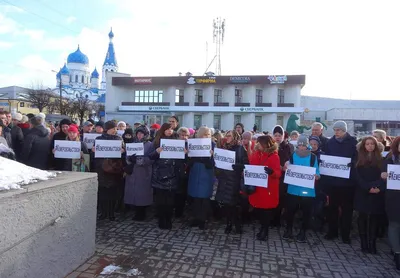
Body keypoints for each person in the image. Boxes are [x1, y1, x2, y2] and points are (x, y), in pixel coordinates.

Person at [323, 121, 358, 244]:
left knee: (347, 210)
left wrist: (353, 163)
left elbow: (357, 157)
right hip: (334, 182)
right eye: (335, 130)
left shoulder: (354, 142)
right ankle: (332, 232)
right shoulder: (330, 142)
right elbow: (326, 157)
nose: (336, 132)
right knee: (332, 209)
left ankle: (345, 235)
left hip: (348, 183)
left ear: (344, 131)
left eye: (338, 130)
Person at [282, 135, 320, 242]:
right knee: (290, 212)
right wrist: (286, 168)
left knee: (306, 213)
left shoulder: (313, 157)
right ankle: (288, 230)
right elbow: (288, 167)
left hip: (307, 190)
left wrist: (317, 175)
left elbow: (316, 170)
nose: (301, 147)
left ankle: (302, 232)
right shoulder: (293, 155)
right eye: (299, 145)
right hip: (293, 189)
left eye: (303, 145)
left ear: (307, 145)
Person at [147, 123, 182, 229]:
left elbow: (181, 159)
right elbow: (150, 157)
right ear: (163, 130)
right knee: (161, 200)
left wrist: (184, 153)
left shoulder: (177, 141)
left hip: (173, 175)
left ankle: (169, 219)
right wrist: (156, 152)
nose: (169, 131)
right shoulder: (157, 141)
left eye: (171, 129)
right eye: (167, 129)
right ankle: (161, 220)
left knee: (170, 201)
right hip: (159, 175)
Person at [354, 136, 385, 254]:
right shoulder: (358, 159)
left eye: (372, 144)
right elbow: (357, 177)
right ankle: (363, 243)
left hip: (376, 193)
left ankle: (372, 244)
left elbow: (384, 176)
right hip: (362, 192)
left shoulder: (382, 159)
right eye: (367, 144)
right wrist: (367, 187)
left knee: (374, 219)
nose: (370, 146)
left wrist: (377, 188)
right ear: (364, 145)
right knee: (362, 217)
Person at [248, 135, 282, 241]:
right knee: (259, 209)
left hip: (268, 188)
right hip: (259, 186)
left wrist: (272, 172)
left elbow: (278, 173)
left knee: (266, 211)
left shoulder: (274, 156)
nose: (257, 145)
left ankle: (265, 230)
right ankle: (262, 228)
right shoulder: (256, 154)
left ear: (266, 144)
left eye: (259, 143)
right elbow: (252, 166)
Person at [215, 130, 249, 234]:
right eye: (226, 136)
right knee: (225, 203)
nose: (227, 137)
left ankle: (237, 225)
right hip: (224, 178)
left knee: (233, 204)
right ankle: (229, 224)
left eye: (229, 136)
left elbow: (246, 164)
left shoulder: (240, 149)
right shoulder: (224, 148)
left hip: (234, 180)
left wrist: (238, 167)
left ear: (235, 137)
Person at [93, 121, 125, 221]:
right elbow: (95, 155)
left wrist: (123, 151)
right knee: (103, 192)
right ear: (107, 129)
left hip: (114, 169)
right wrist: (93, 150)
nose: (115, 130)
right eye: (113, 128)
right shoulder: (99, 139)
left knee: (113, 192)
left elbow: (123, 152)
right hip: (102, 169)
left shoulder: (119, 138)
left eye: (116, 128)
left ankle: (111, 213)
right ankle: (103, 212)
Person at [187, 126, 215, 230]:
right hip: (195, 172)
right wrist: (188, 154)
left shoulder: (213, 145)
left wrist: (213, 155)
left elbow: (213, 163)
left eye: (208, 134)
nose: (206, 136)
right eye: (205, 134)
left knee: (204, 198)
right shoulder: (193, 143)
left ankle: (203, 220)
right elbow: (189, 161)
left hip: (206, 173)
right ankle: (196, 218)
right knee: (196, 197)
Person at [124, 125, 154, 221]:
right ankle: (135, 210)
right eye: (138, 133)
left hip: (143, 173)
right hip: (133, 172)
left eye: (142, 133)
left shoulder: (150, 145)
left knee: (142, 193)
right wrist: (129, 159)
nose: (139, 135)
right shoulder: (133, 143)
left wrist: (139, 160)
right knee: (133, 192)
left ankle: (142, 213)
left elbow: (151, 158)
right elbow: (127, 157)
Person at [381, 136, 400, 270]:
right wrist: (383, 176)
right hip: (393, 197)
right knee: (394, 224)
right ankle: (397, 253)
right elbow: (382, 174)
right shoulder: (389, 159)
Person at [271, 125, 293, 227]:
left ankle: (277, 219)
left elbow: (289, 160)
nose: (278, 137)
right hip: (272, 176)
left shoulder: (287, 147)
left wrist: (285, 166)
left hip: (283, 177)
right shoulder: (270, 147)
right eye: (275, 135)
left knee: (280, 198)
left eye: (280, 135)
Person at [175, 127, 190, 218]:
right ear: (178, 135)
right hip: (175, 171)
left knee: (183, 193)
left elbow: (191, 160)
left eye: (186, 135)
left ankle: (180, 212)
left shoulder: (190, 145)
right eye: (182, 135)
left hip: (185, 172)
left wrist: (187, 154)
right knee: (176, 192)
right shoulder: (175, 144)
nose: (184, 137)